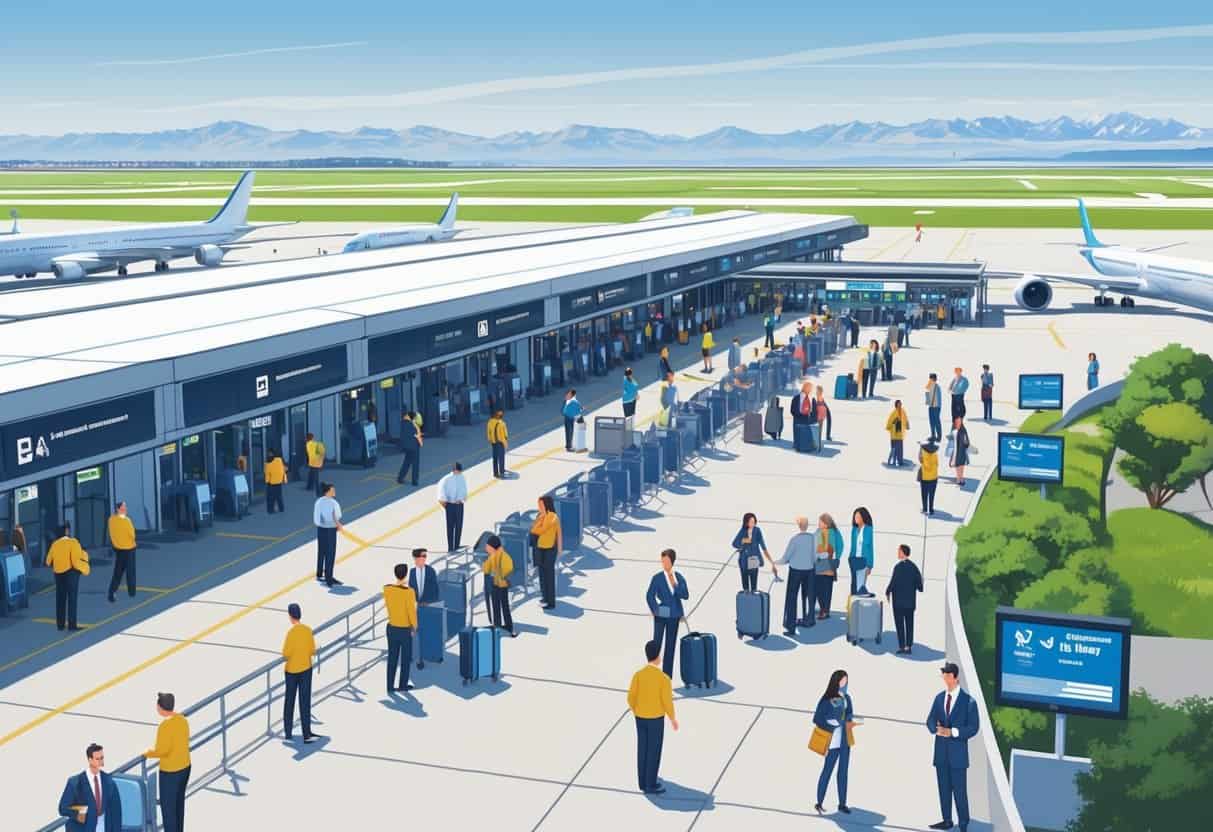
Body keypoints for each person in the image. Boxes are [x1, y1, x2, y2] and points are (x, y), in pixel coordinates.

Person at [927, 663, 980, 832]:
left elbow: (973, 727)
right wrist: (935, 729)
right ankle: (947, 820)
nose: (945, 678)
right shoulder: (939, 698)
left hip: (958, 756)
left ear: (955, 677)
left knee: (960, 792)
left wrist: (953, 732)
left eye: (947, 675)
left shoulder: (969, 702)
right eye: (944, 675)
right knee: (943, 789)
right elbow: (929, 719)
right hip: (941, 754)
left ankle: (963, 824)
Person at [628, 639, 679, 796]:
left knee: (642, 747)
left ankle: (642, 781)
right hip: (656, 718)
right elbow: (667, 702)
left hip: (640, 717)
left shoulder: (638, 675)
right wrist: (672, 719)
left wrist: (636, 710)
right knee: (654, 750)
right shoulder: (663, 679)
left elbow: (631, 697)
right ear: (658, 657)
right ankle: (651, 784)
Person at [144, 692, 190, 832]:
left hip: (171, 772)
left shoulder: (165, 726)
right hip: (185, 767)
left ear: (160, 707)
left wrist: (148, 753)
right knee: (178, 804)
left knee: (168, 809)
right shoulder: (182, 719)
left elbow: (162, 750)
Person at [813, 669, 857, 815]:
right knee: (827, 771)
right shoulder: (827, 699)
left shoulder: (847, 698)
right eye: (843, 680)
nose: (845, 683)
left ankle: (842, 803)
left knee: (843, 773)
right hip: (832, 742)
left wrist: (850, 720)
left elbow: (850, 713)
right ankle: (819, 802)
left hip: (845, 741)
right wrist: (831, 723)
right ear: (837, 681)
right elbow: (817, 718)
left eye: (847, 680)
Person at [58, 742, 122, 832]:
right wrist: (78, 813)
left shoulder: (109, 781)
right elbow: (62, 808)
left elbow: (116, 813)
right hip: (82, 828)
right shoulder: (75, 782)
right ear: (90, 760)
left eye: (102, 758)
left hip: (103, 827)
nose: (101, 761)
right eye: (97, 759)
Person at [645, 548, 689, 678]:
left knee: (670, 646)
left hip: (674, 615)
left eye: (666, 561)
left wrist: (675, 585)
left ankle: (666, 676)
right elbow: (649, 596)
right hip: (661, 613)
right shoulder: (657, 578)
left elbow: (685, 595)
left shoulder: (679, 577)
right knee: (656, 643)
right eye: (662, 561)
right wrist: (655, 610)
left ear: (672, 561)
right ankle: (652, 671)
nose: (664, 564)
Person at [281, 602, 318, 742]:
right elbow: (312, 650)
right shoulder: (307, 630)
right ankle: (307, 733)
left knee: (289, 702)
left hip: (291, 671)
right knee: (305, 701)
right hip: (306, 669)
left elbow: (285, 653)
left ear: (290, 616)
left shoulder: (291, 633)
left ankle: (288, 733)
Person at [775, 517, 816, 636]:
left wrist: (776, 562)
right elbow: (814, 556)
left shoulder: (794, 539)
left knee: (792, 597)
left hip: (796, 571)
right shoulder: (813, 538)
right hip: (809, 571)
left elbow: (786, 558)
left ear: (799, 525)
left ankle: (791, 626)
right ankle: (808, 620)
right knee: (808, 596)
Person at [46, 523, 89, 631]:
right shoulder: (73, 542)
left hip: (58, 574)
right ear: (66, 532)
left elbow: (47, 561)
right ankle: (72, 625)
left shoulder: (54, 544)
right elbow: (75, 561)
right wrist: (84, 568)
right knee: (72, 599)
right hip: (71, 573)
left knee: (60, 599)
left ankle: (60, 625)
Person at [384, 563, 418, 692]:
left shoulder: (387, 589)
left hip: (391, 627)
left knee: (392, 658)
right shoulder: (409, 592)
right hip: (404, 630)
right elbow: (411, 612)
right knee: (405, 659)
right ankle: (402, 684)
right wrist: (414, 627)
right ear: (406, 575)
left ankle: (390, 686)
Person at [886, 544, 924, 654]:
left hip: (898, 602)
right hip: (910, 603)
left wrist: (888, 592)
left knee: (899, 624)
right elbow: (920, 587)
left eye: (899, 551)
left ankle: (902, 646)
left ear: (903, 552)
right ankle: (908, 647)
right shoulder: (914, 567)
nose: (897, 553)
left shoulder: (898, 567)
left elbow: (893, 582)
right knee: (909, 624)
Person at [530, 495, 562, 609]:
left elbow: (538, 530)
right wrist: (539, 519)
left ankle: (551, 602)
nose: (539, 506)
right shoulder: (540, 516)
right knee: (542, 575)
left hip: (549, 549)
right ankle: (544, 597)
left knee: (549, 576)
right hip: (540, 549)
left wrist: (559, 549)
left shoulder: (552, 517)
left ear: (546, 505)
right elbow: (533, 528)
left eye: (541, 504)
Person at [732, 512, 777, 592]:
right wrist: (743, 541)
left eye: (754, 521)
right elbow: (734, 543)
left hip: (754, 559)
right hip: (743, 559)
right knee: (745, 584)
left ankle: (753, 600)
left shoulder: (757, 531)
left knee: (753, 585)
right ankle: (745, 599)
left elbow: (763, 547)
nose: (753, 524)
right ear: (746, 522)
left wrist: (771, 562)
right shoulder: (743, 531)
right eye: (750, 522)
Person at [482, 534, 517, 636]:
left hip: (501, 585)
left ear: (493, 547)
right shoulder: (492, 556)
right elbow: (486, 568)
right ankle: (498, 624)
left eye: (488, 547)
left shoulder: (504, 556)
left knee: (504, 606)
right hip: (495, 584)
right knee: (496, 605)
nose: (486, 549)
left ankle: (509, 626)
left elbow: (509, 568)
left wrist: (502, 576)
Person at [313, 483, 344, 586]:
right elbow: (338, 515)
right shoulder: (333, 503)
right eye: (332, 490)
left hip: (321, 529)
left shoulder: (318, 502)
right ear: (328, 491)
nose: (334, 492)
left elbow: (316, 518)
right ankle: (329, 578)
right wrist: (337, 525)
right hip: (330, 530)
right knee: (330, 554)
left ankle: (319, 573)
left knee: (321, 551)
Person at [813, 514, 844, 619]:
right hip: (819, 563)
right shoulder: (817, 532)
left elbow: (840, 545)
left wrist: (837, 558)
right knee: (817, 588)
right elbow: (812, 545)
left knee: (827, 588)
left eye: (820, 522)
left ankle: (825, 611)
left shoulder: (835, 532)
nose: (819, 523)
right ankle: (823, 609)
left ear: (826, 523)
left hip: (830, 563)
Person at [106, 502, 137, 603]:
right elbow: (132, 535)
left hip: (118, 549)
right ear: (118, 509)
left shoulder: (111, 520)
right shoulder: (127, 521)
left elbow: (111, 533)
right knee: (130, 572)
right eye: (123, 508)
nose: (125, 509)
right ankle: (132, 592)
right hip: (129, 549)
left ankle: (111, 592)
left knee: (117, 572)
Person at [437, 461, 468, 552]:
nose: (459, 473)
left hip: (459, 504)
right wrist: (446, 505)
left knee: (459, 525)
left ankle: (457, 545)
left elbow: (464, 489)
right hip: (450, 505)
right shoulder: (445, 479)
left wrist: (462, 499)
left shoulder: (462, 477)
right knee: (450, 526)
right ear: (454, 470)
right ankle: (450, 547)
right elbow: (441, 494)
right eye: (458, 471)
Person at [849, 508, 875, 597]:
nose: (856, 518)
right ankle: (853, 608)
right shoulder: (854, 529)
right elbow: (852, 545)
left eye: (858, 516)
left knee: (860, 586)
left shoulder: (868, 529)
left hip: (863, 560)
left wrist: (870, 565)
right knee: (853, 585)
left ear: (863, 517)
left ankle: (859, 607)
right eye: (855, 516)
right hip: (854, 559)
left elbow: (870, 547)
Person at [396, 410, 422, 485]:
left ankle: (400, 478)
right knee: (415, 464)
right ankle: (415, 480)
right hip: (414, 446)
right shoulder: (414, 425)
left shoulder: (403, 423)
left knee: (406, 462)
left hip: (406, 446)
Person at [483, 409, 508, 478]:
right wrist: (505, 444)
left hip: (493, 442)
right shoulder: (502, 424)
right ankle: (502, 471)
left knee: (495, 458)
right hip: (500, 443)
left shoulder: (490, 422)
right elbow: (504, 436)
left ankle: (495, 473)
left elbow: (488, 432)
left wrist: (490, 440)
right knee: (501, 458)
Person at [886, 399, 910, 467]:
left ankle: (900, 461)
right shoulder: (893, 413)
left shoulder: (903, 412)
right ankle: (891, 461)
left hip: (900, 435)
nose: (900, 405)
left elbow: (905, 419)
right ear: (896, 405)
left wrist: (907, 425)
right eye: (899, 404)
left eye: (901, 404)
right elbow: (889, 422)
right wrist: (891, 425)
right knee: (893, 449)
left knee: (900, 449)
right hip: (894, 435)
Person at [919, 442, 940, 516]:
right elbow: (937, 464)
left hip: (925, 478)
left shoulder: (923, 455)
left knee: (924, 494)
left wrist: (920, 448)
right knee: (932, 494)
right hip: (934, 477)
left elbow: (920, 460)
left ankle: (925, 509)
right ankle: (931, 509)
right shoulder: (935, 455)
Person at [950, 417, 971, 486]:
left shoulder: (963, 431)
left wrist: (966, 443)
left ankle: (961, 478)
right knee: (958, 465)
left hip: (962, 450)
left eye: (959, 422)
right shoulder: (954, 431)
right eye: (957, 422)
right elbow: (952, 440)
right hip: (956, 450)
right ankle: (958, 479)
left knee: (961, 465)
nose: (958, 423)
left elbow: (967, 441)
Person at [304, 432, 325, 497]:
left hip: (313, 462)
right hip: (317, 461)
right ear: (312, 438)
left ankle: (315, 490)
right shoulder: (316, 444)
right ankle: (311, 487)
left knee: (314, 476)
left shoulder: (307, 444)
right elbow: (321, 451)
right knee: (313, 475)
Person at [925, 373, 943, 442]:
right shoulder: (930, 386)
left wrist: (935, 406)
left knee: (937, 421)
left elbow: (937, 398)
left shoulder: (937, 386)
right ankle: (933, 435)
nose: (930, 379)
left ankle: (939, 436)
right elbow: (928, 395)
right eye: (930, 378)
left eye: (931, 378)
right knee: (931, 422)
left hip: (936, 407)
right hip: (931, 406)